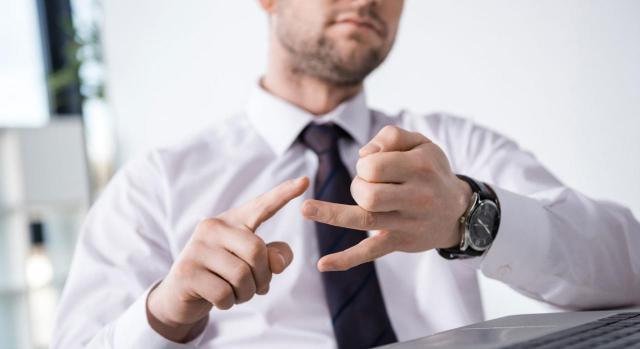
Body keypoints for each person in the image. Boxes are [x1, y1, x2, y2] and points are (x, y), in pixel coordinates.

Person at [52, 0, 640, 348]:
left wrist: (471, 214)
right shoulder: (155, 185)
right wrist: (165, 312)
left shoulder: (451, 149)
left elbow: (628, 270)